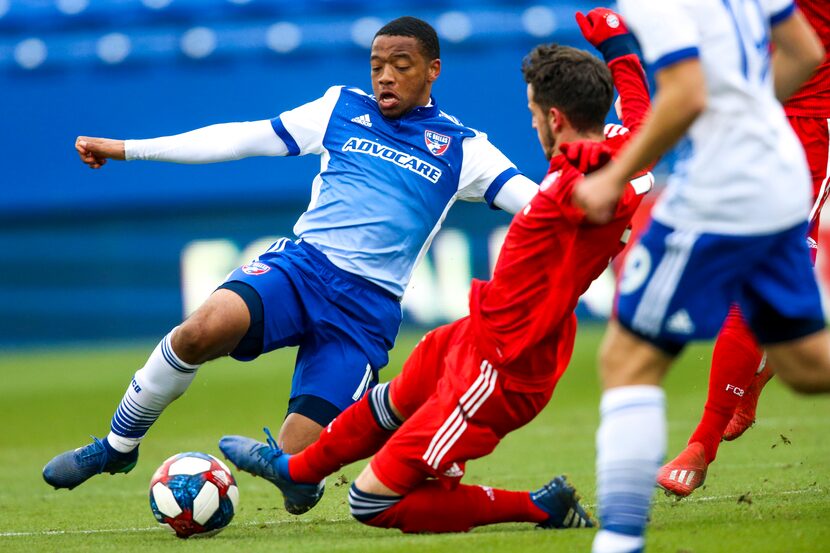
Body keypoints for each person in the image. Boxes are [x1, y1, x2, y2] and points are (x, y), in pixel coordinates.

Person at [41, 17, 542, 498]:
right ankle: (116, 447)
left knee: (296, 476)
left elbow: (541, 204)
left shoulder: (465, 148)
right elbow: (239, 138)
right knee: (199, 331)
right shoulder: (340, 108)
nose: (385, 75)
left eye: (402, 64)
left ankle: (313, 466)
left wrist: (620, 183)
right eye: (376, 65)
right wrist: (128, 149)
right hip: (302, 271)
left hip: (364, 314)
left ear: (434, 69)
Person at [219, 8, 653, 532]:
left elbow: (611, 180)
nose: (532, 122)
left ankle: (541, 506)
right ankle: (296, 469)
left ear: (555, 119)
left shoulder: (574, 195)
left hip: (504, 367)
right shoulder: (612, 159)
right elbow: (644, 122)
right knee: (392, 396)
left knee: (370, 502)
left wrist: (619, 50)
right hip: (477, 333)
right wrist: (618, 46)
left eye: (535, 114)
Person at [572, 1, 827, 552]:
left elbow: (686, 95)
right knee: (807, 367)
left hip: (727, 180)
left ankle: (618, 541)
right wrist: (752, 116)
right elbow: (804, 49)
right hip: (776, 158)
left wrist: (615, 175)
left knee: (628, 355)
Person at [658, 0, 830, 498]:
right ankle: (763, 361)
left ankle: (701, 445)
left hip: (809, 126)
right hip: (750, 120)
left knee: (760, 278)